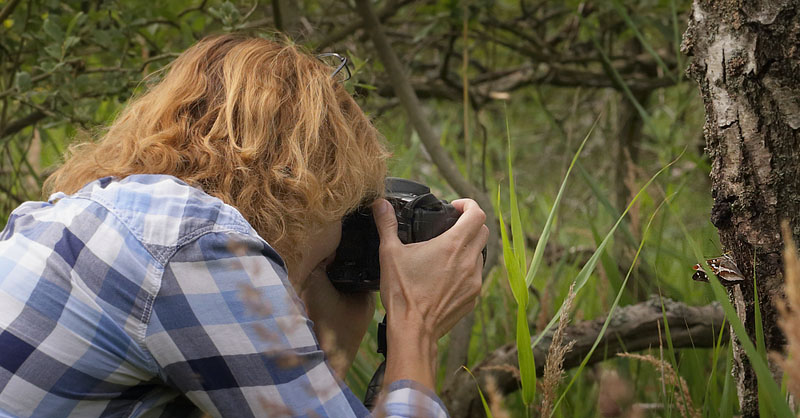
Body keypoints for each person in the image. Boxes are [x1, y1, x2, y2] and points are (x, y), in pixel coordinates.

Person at [0, 34, 488, 417]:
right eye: (344, 198)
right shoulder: (194, 243)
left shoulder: (79, 218)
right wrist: (415, 323)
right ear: (299, 181)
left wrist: (332, 321)